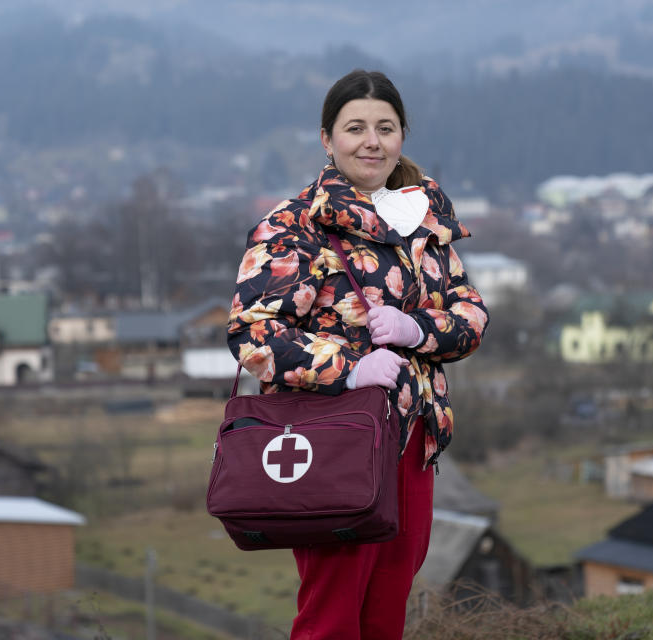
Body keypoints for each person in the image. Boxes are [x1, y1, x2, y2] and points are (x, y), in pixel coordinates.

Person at [227, 69, 489, 639]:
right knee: (332, 613)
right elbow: (252, 334)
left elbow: (471, 315)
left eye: (385, 127)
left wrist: (417, 329)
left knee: (387, 607)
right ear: (327, 138)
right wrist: (348, 370)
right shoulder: (293, 227)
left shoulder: (424, 217)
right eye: (355, 128)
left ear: (402, 136)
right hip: (332, 441)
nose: (372, 141)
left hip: (413, 438)